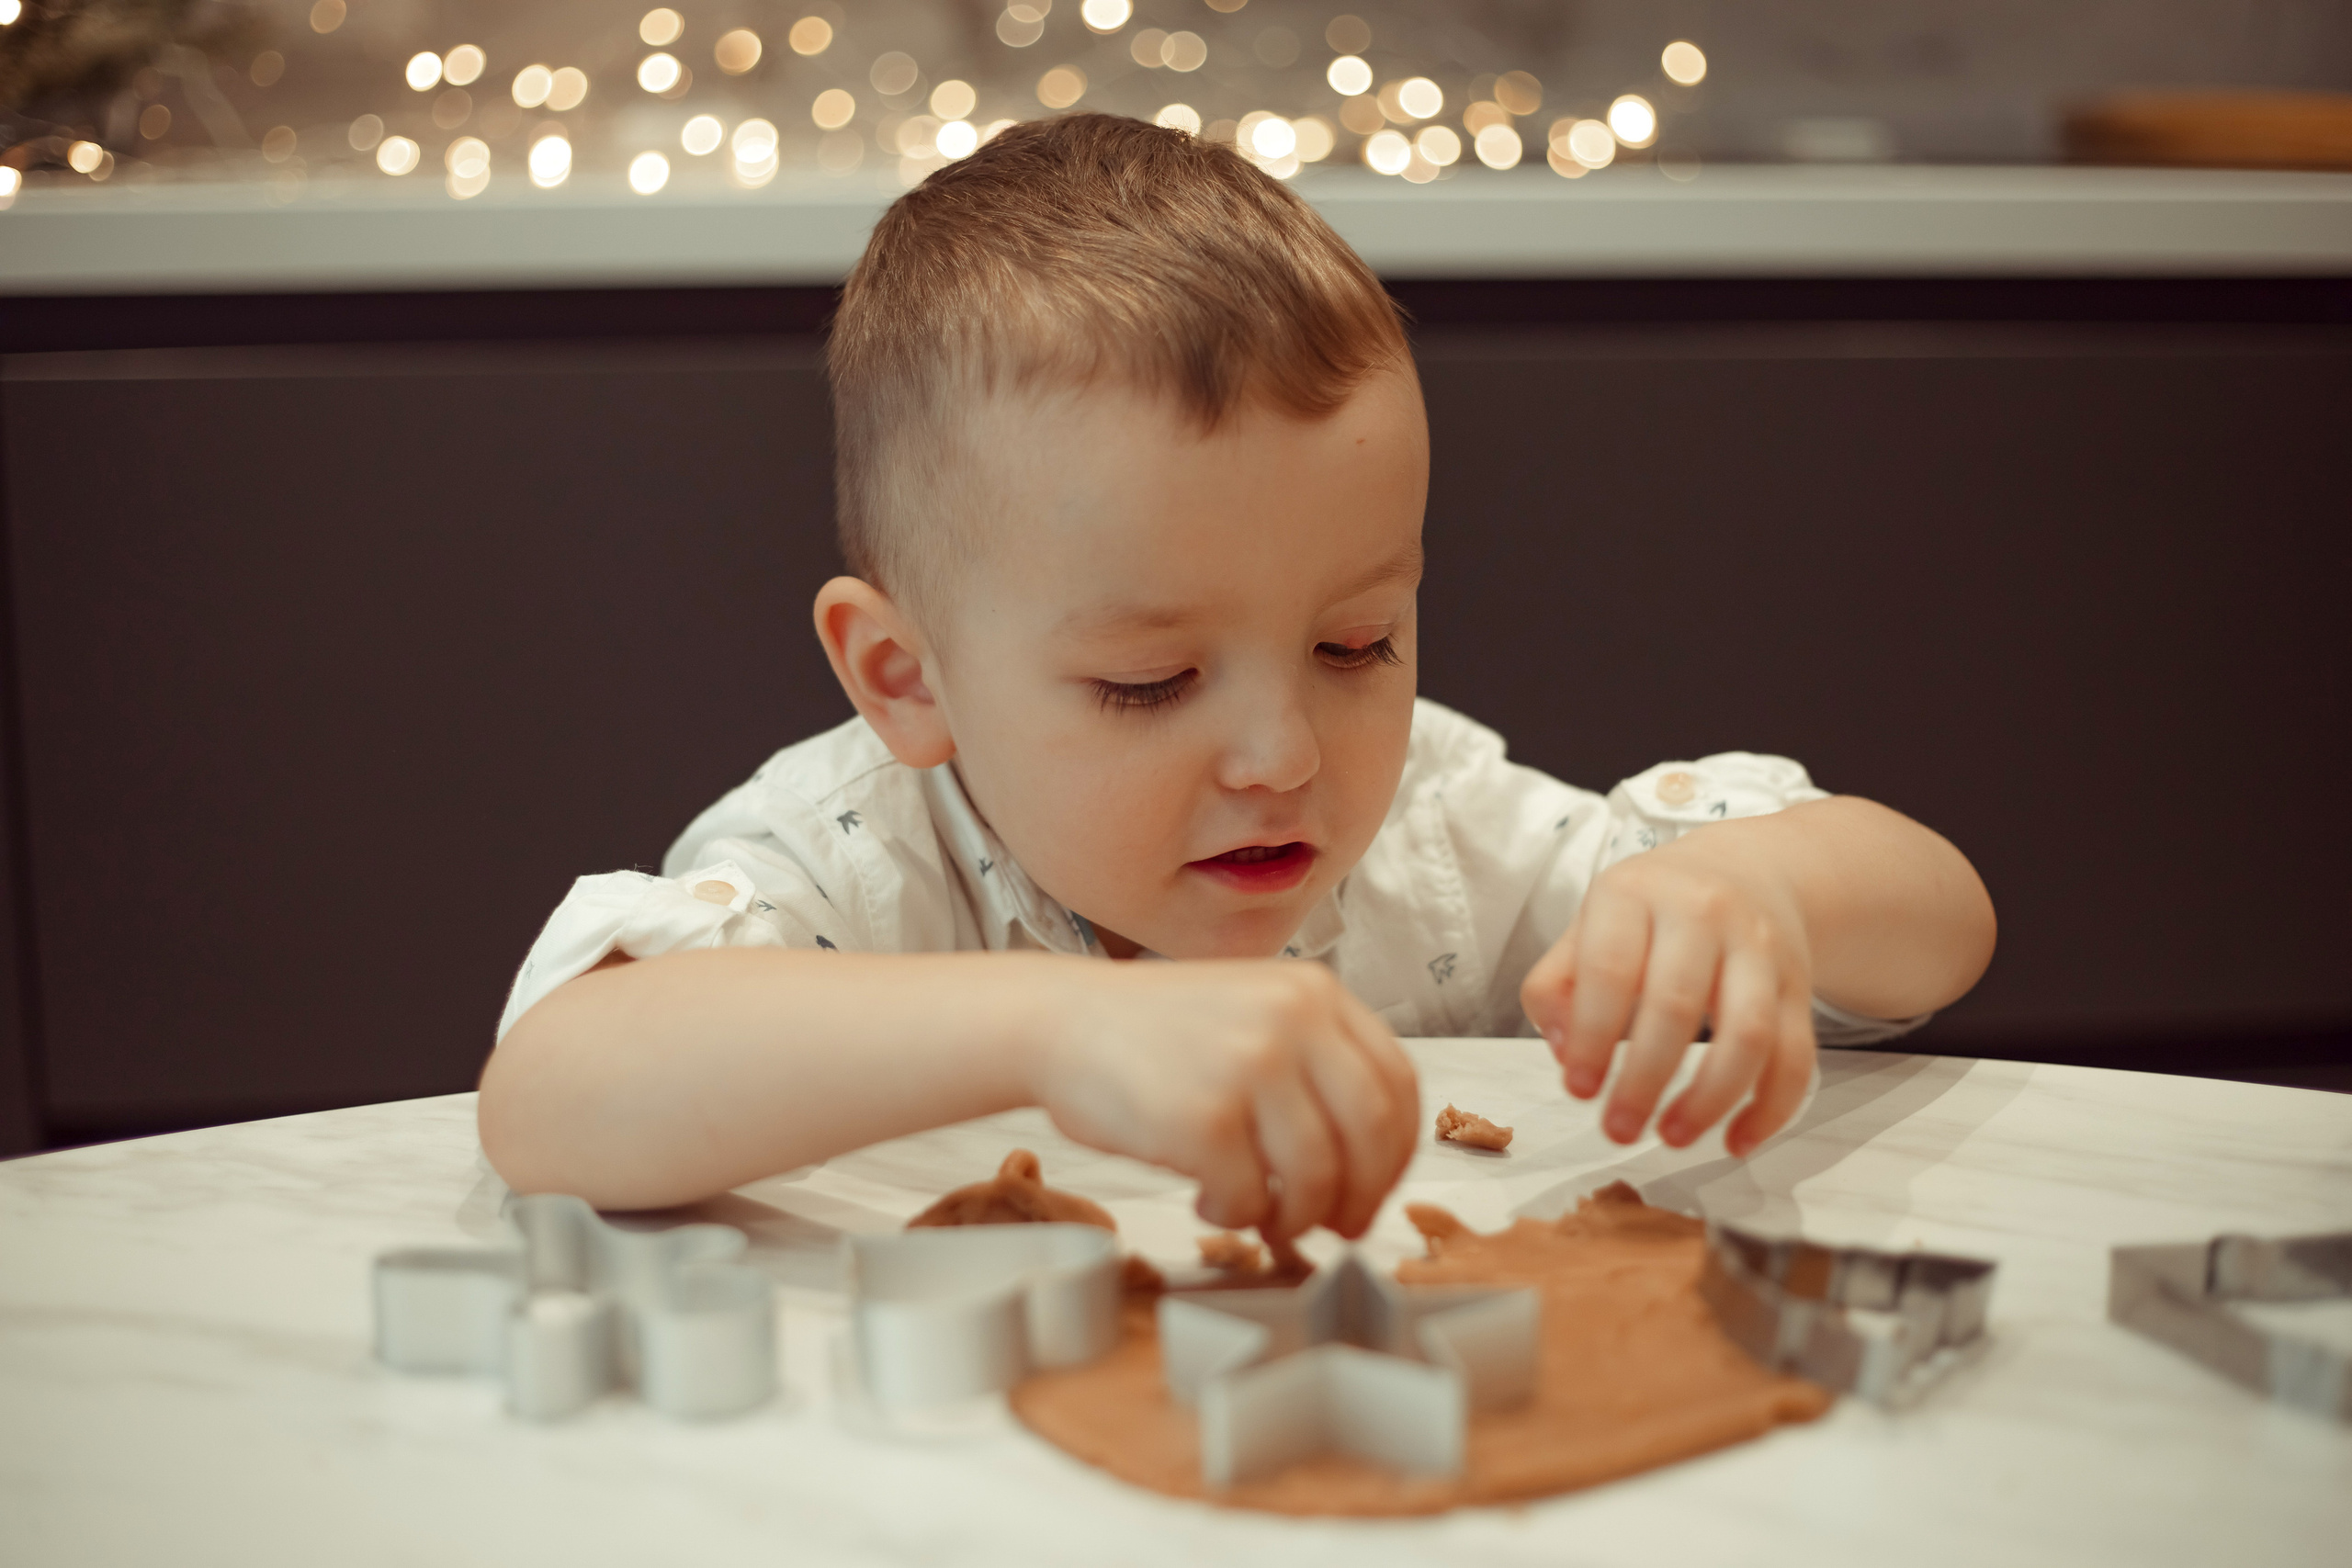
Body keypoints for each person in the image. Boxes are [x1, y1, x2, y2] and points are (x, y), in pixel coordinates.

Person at [478, 115, 1996, 1235]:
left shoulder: (1437, 848)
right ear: (905, 676)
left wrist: (1761, 900)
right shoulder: (859, 864)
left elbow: (1944, 926)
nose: (1283, 753)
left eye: (1355, 646)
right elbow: (553, 1093)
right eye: (1148, 682)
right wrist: (1056, 1032)